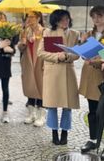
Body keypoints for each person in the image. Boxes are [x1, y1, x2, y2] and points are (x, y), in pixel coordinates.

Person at [37, 9, 80, 145]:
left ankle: (65, 132)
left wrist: (67, 56)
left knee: (68, 106)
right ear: (55, 20)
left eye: (67, 19)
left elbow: (78, 54)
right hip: (53, 73)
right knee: (52, 105)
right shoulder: (48, 32)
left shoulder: (75, 34)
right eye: (62, 19)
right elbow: (40, 53)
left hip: (68, 72)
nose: (65, 22)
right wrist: (57, 56)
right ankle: (54, 132)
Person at [79, 6, 104, 153]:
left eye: (99, 15)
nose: (96, 19)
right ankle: (93, 140)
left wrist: (96, 58)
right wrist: (82, 45)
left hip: (102, 76)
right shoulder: (89, 34)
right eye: (93, 16)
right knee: (92, 110)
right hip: (90, 77)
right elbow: (83, 55)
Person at [17, 11, 45, 127]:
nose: (29, 19)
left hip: (40, 62)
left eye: (32, 17)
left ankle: (40, 115)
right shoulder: (25, 31)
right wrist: (22, 43)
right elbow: (21, 47)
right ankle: (31, 113)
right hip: (28, 62)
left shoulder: (44, 31)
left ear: (38, 18)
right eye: (28, 17)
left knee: (40, 87)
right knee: (29, 86)